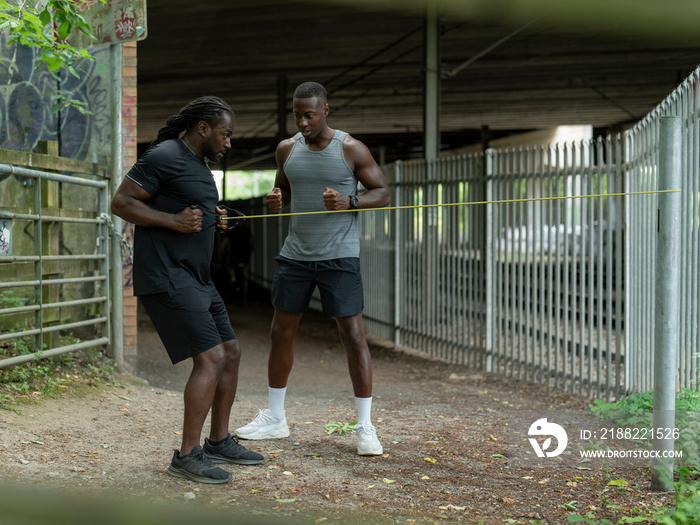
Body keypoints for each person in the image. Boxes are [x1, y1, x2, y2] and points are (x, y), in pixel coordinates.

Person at [110, 96, 264, 484]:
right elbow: (121, 202)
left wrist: (215, 220)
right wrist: (173, 221)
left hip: (196, 276)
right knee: (210, 358)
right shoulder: (165, 154)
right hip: (166, 275)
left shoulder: (197, 164)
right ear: (203, 129)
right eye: (225, 135)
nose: (229, 143)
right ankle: (186, 456)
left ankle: (218, 441)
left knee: (230, 351)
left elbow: (188, 208)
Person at [235, 82, 390, 456]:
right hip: (296, 255)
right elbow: (283, 193)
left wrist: (349, 200)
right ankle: (275, 419)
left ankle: (365, 427)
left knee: (353, 337)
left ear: (326, 110)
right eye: (297, 115)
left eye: (310, 114)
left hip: (340, 255)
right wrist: (276, 200)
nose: (303, 122)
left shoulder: (350, 148)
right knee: (280, 333)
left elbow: (383, 193)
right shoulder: (286, 149)